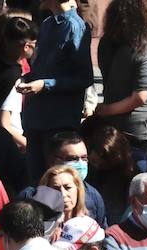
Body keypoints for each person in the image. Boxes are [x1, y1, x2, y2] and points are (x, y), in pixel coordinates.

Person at [17, 0, 93, 180]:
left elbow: (84, 77)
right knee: (37, 184)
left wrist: (45, 85)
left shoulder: (75, 27)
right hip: (35, 120)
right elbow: (42, 68)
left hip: (58, 122)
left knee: (57, 184)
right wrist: (27, 78)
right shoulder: (47, 24)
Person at [94, 0, 147, 151]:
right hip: (140, 127)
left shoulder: (105, 43)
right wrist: (106, 110)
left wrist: (106, 110)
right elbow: (140, 96)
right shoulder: (142, 47)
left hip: (114, 122)